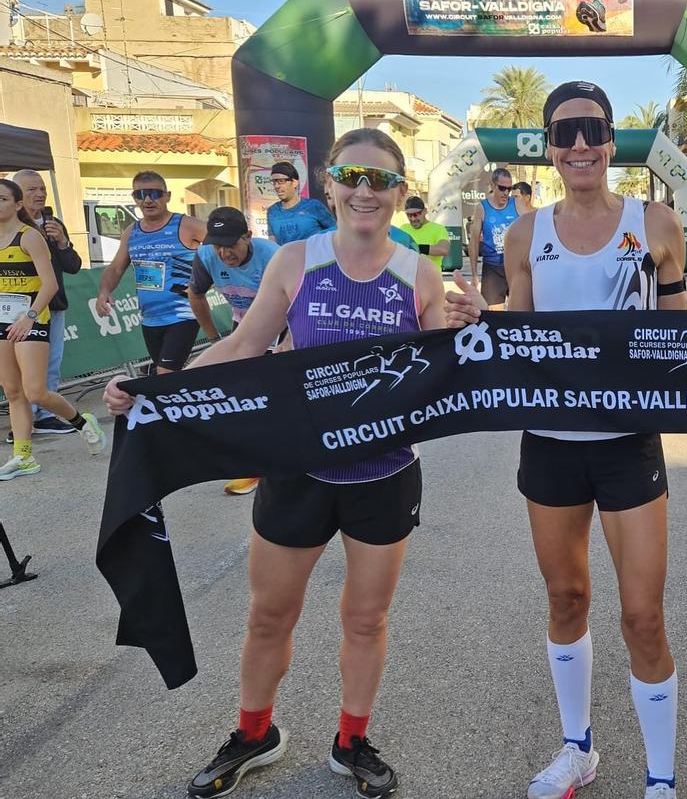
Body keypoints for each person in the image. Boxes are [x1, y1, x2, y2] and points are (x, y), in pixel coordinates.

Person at [105, 128, 445, 798]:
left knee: (366, 619)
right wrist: (156, 392)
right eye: (352, 176)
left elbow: (446, 373)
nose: (364, 191)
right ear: (329, 185)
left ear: (401, 191)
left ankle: (352, 740)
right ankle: (255, 730)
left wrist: (464, 325)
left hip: (384, 474)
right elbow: (243, 345)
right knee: (269, 615)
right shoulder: (296, 260)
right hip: (298, 468)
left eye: (380, 180)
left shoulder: (419, 274)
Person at [446, 80, 687, 799]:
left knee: (643, 615)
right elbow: (516, 334)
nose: (579, 144)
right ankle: (578, 749)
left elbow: (678, 337)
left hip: (628, 441)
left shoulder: (657, 223)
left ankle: (661, 778)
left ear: (613, 140)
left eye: (592, 129)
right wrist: (476, 318)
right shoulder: (526, 234)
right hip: (549, 442)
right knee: (566, 598)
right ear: (548, 148)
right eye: (564, 133)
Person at [0, 178, 106, 480]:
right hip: (3, 318)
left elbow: (51, 284)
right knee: (12, 390)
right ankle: (23, 457)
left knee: (35, 391)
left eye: (2, 199)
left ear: (17, 204)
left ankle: (82, 421)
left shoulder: (29, 236)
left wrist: (30, 316)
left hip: (32, 317)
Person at [187, 207, 280, 497]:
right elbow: (196, 294)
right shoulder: (205, 257)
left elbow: (295, 303)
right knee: (245, 399)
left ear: (247, 237)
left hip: (283, 329)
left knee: (273, 401)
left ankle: (275, 462)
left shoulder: (273, 257)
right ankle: (254, 467)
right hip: (244, 330)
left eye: (230, 245)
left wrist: (286, 344)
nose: (224, 253)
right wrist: (214, 338)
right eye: (218, 246)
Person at [97, 171, 206, 374]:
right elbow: (116, 267)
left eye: (155, 193)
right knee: (165, 377)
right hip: (150, 318)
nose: (147, 200)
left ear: (167, 196)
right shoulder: (132, 232)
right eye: (140, 194)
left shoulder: (186, 225)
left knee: (165, 373)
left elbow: (223, 247)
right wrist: (103, 291)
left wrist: (207, 281)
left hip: (183, 315)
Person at [7, 169, 82, 440]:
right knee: (15, 372)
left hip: (51, 306)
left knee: (50, 363)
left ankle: (46, 416)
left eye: (42, 189)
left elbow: (73, 266)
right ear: (16, 196)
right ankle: (22, 422)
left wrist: (62, 242)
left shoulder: (52, 223)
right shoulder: (9, 226)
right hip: (13, 307)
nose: (39, 194)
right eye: (31, 190)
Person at [468, 167, 518, 309]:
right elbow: (474, 241)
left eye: (510, 189)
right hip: (493, 268)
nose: (506, 193)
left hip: (515, 267)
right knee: (494, 314)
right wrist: (474, 275)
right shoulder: (482, 208)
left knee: (522, 312)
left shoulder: (516, 204)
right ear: (492, 186)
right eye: (502, 188)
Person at [266, 161, 337, 245]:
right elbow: (272, 244)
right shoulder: (272, 211)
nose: (276, 186)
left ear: (295, 182)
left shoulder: (313, 206)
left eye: (281, 181)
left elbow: (335, 230)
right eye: (274, 182)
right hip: (286, 257)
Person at [396, 196, 449, 271]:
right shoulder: (404, 228)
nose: (413, 219)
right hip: (408, 278)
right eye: (409, 215)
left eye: (416, 214)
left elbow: (444, 250)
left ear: (425, 211)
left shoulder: (438, 229)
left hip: (430, 278)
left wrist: (417, 248)